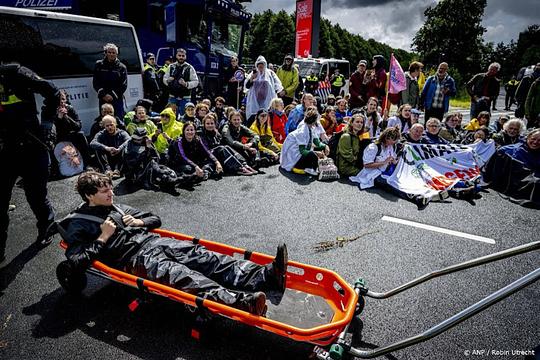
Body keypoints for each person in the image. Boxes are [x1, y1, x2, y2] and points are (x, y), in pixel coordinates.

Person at [61, 171, 288, 315]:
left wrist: (139, 221)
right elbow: (78, 261)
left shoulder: (116, 207)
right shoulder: (78, 224)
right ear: (89, 196)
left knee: (205, 257)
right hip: (132, 259)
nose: (111, 192)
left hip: (155, 242)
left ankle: (265, 276)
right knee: (184, 277)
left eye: (111, 188)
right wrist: (103, 237)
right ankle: (241, 303)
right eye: (104, 191)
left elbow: (155, 219)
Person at [0, 63, 60, 259]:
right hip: (4, 149)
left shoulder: (14, 72)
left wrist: (47, 124)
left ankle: (47, 226)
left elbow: (53, 92)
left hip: (31, 145)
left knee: (36, 197)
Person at [280, 106, 330, 175]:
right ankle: (308, 168)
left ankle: (308, 167)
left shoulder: (311, 128)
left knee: (314, 153)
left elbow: (317, 142)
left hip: (300, 152)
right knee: (312, 155)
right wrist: (316, 153)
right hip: (293, 155)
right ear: (313, 120)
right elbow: (302, 151)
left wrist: (325, 146)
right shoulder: (302, 130)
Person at [244, 56, 283, 125]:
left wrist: (278, 91)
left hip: (267, 99)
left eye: (262, 64)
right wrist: (252, 78)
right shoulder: (252, 74)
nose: (261, 66)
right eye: (259, 65)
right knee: (255, 117)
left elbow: (277, 84)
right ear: (257, 65)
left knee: (267, 116)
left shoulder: (270, 73)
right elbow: (247, 86)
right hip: (255, 100)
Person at [93, 43, 127, 119]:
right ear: (105, 53)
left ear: (117, 54)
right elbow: (96, 82)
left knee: (119, 120)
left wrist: (112, 95)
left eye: (113, 53)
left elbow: (124, 85)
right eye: (109, 52)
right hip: (103, 98)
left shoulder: (122, 67)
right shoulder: (99, 65)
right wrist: (104, 95)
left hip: (116, 99)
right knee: (105, 120)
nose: (111, 54)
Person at [163, 48, 199, 116]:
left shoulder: (190, 67)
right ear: (176, 56)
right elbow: (164, 79)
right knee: (170, 115)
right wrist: (168, 81)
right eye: (179, 55)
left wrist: (186, 84)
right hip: (172, 97)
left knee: (184, 116)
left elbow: (196, 82)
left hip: (185, 97)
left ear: (185, 56)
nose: (181, 57)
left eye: (183, 56)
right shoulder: (171, 66)